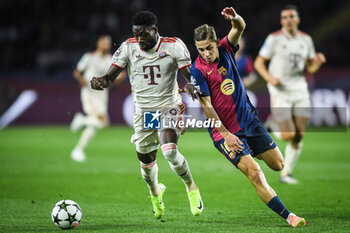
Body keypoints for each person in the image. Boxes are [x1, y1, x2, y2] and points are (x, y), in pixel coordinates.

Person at [190, 7, 306, 227]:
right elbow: (207, 106)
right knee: (255, 173)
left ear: (217, 43)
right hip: (224, 132)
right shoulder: (198, 70)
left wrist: (235, 18)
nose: (205, 53)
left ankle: (251, 150)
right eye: (201, 49)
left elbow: (239, 27)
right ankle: (289, 216)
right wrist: (225, 135)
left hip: (249, 122)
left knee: (279, 165)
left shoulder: (225, 49)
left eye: (209, 48)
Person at [90, 11, 203, 219]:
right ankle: (155, 194)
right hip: (143, 112)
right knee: (146, 163)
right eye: (137, 34)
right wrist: (100, 81)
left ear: (155, 31)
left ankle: (191, 187)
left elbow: (191, 76)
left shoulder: (174, 45)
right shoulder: (128, 47)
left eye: (144, 34)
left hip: (168, 106)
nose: (140, 39)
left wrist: (190, 84)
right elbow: (109, 78)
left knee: (169, 151)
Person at [254, 5, 326, 184]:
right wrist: (270, 78)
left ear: (297, 19)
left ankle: (286, 174)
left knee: (299, 134)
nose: (288, 20)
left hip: (300, 88)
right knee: (288, 135)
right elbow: (259, 63)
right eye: (284, 17)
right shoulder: (274, 39)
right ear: (281, 21)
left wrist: (317, 63)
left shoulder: (306, 39)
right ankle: (272, 124)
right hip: (281, 91)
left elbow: (309, 68)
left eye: (291, 16)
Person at [70, 35, 127, 162]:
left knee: (98, 124)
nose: (106, 45)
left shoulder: (110, 60)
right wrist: (83, 82)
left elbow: (114, 82)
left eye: (108, 44)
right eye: (104, 43)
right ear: (98, 44)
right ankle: (81, 126)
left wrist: (121, 78)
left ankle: (78, 148)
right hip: (90, 93)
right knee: (102, 121)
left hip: (102, 95)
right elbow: (77, 72)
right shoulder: (89, 57)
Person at [236, 37, 258, 107]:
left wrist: (248, 80)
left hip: (242, 91)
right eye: (236, 41)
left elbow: (253, 76)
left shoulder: (246, 59)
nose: (238, 44)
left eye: (240, 42)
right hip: (225, 92)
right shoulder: (224, 58)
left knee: (251, 99)